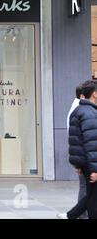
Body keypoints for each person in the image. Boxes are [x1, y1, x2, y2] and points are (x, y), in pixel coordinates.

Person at [62, 80, 97, 219]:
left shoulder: (78, 111)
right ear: (94, 94)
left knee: (91, 195)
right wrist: (95, 169)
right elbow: (92, 143)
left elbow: (76, 140)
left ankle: (71, 215)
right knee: (93, 199)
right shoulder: (91, 113)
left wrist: (78, 164)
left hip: (85, 162)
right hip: (91, 163)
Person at [58, 85, 87, 219]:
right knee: (86, 187)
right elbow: (77, 136)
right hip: (84, 155)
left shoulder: (78, 109)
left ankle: (79, 213)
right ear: (82, 95)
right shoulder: (79, 110)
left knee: (86, 187)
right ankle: (80, 213)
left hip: (83, 154)